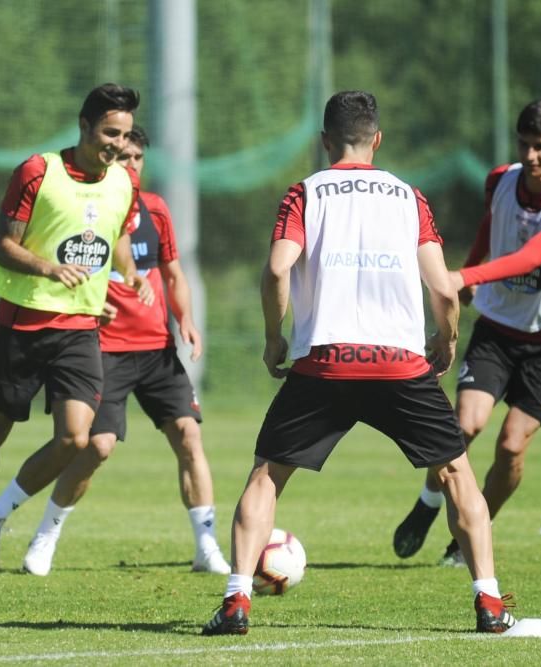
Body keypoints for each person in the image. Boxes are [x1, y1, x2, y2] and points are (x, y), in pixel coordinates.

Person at [201, 90, 516, 636]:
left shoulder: (305, 193)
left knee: (268, 476)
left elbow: (278, 271)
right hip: (399, 362)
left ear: (325, 141)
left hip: (324, 361)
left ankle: (236, 600)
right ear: (378, 138)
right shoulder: (407, 196)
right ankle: (488, 601)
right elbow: (442, 286)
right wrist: (445, 339)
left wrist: (274, 338)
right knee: (456, 473)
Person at [0, 83, 154, 579]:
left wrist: (129, 274)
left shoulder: (124, 181)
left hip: (80, 330)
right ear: (83, 127)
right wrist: (48, 269)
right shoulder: (37, 172)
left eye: (123, 136)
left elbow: (117, 235)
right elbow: (3, 246)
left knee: (76, 439)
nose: (116, 145)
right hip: (23, 321)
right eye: (108, 132)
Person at [392, 98, 541, 567]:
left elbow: (532, 257)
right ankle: (429, 504)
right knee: (464, 425)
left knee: (510, 446)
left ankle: (468, 538)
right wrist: (467, 277)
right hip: (498, 329)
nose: (530, 156)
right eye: (524, 145)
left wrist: (461, 278)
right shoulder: (500, 181)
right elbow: (491, 226)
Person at [22, 126, 229, 577]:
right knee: (96, 446)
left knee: (189, 437)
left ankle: (207, 547)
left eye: (138, 158)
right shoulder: (90, 211)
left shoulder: (155, 210)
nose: (131, 165)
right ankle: (46, 536)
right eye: (123, 157)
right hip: (104, 351)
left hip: (156, 350)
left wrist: (186, 320)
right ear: (108, 158)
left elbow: (174, 274)